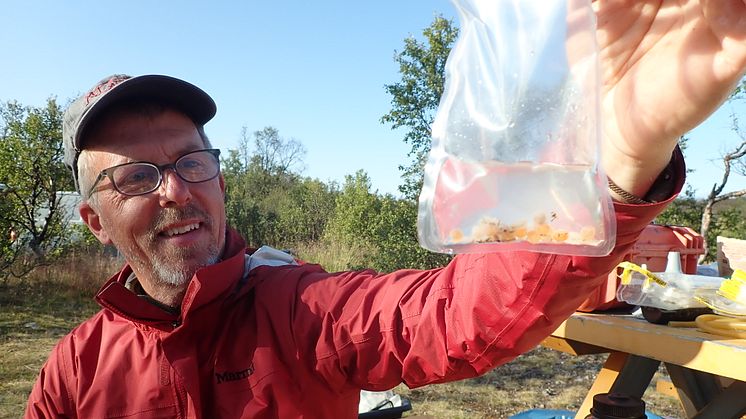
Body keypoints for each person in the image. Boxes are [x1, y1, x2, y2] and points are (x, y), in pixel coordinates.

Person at [26, 2, 746, 418]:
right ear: (93, 218)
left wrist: (616, 163)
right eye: (137, 176)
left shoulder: (299, 308)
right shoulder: (73, 370)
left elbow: (455, 315)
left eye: (191, 161)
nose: (176, 189)